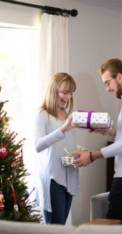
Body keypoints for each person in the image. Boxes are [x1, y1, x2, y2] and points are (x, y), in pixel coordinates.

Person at [74, 58, 122, 226]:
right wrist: (110, 132)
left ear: (119, 77)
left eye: (107, 82)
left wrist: (92, 155)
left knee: (112, 229)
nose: (107, 88)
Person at [35, 72, 78, 224]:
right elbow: (38, 145)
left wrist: (79, 153)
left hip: (69, 176)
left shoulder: (66, 115)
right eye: (64, 92)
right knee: (55, 229)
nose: (68, 97)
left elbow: (65, 146)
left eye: (70, 93)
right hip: (54, 178)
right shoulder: (43, 114)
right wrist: (63, 129)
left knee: (61, 225)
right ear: (53, 91)